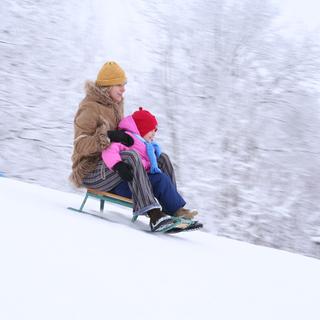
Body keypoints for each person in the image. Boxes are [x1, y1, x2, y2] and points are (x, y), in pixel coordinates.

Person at [70, 61, 201, 233]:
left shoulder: (116, 105)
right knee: (130, 156)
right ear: (107, 86)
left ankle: (173, 211)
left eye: (124, 85)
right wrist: (109, 137)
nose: (124, 89)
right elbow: (80, 145)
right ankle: (154, 215)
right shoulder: (90, 108)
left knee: (161, 158)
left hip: (116, 171)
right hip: (92, 171)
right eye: (119, 84)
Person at [102, 107, 199, 224]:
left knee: (162, 179)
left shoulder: (147, 146)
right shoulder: (127, 139)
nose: (154, 133)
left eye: (155, 130)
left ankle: (175, 210)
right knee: (157, 177)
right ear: (141, 129)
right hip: (125, 184)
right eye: (151, 129)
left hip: (143, 182)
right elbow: (109, 151)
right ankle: (154, 215)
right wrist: (118, 165)